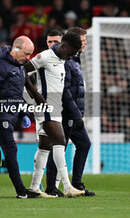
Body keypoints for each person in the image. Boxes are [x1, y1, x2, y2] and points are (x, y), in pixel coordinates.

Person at [24, 32, 85, 197]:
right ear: (64, 46)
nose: (72, 56)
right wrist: (35, 94)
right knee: (60, 141)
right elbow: (22, 70)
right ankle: (67, 187)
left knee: (44, 146)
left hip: (56, 107)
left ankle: (34, 187)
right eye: (71, 52)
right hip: (46, 107)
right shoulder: (45, 56)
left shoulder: (62, 59)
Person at [0, 36, 40, 199]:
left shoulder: (19, 66)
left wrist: (23, 113)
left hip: (10, 114)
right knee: (10, 149)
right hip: (0, 116)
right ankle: (21, 191)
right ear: (16, 49)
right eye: (26, 53)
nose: (28, 58)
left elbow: (16, 92)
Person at [46, 27, 96, 196]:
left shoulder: (74, 60)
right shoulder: (67, 61)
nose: (85, 43)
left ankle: (77, 184)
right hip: (67, 112)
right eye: (83, 40)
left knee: (83, 144)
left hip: (74, 112)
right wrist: (75, 113)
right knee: (60, 146)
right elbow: (65, 90)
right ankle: (51, 186)